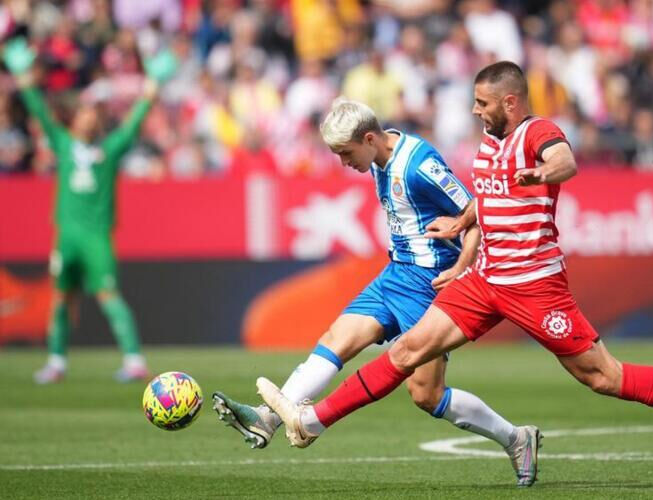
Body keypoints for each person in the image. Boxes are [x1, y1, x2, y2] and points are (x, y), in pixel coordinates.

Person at [255, 62, 653, 478]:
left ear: (510, 102)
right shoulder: (490, 144)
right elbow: (489, 198)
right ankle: (311, 423)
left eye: (482, 103)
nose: (476, 112)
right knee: (410, 351)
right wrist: (462, 226)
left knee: (604, 377)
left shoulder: (534, 132)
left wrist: (542, 172)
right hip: (485, 280)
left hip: (536, 285)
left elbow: (565, 161)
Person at [212, 98, 542, 487]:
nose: (343, 163)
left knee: (426, 395)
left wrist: (460, 268)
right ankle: (266, 419)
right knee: (337, 338)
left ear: (369, 138)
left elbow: (476, 212)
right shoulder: (377, 157)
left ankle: (516, 438)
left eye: (346, 154)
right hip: (395, 275)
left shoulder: (419, 165)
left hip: (428, 286)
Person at [2, 38, 178, 383]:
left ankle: (134, 359)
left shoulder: (109, 150)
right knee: (61, 296)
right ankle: (56, 361)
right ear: (73, 120)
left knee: (109, 295)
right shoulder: (63, 143)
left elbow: (133, 124)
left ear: (97, 123)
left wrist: (152, 85)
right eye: (82, 113)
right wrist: (23, 76)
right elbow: (38, 110)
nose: (87, 119)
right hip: (66, 235)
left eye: (92, 115)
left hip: (97, 236)